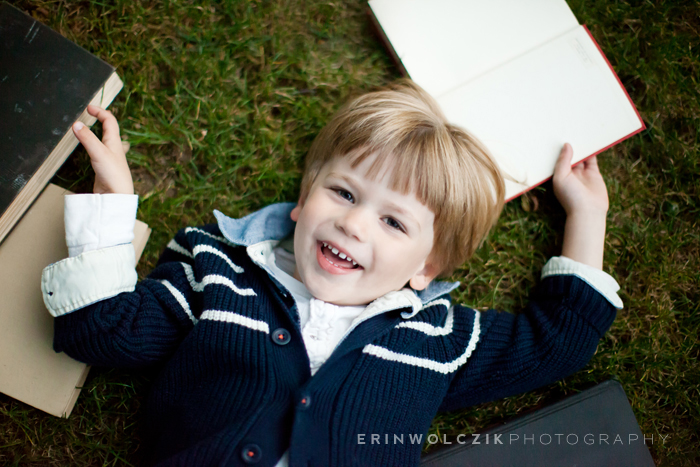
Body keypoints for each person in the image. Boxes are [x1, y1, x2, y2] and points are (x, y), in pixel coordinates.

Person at [41, 80, 621, 467]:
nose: (354, 225)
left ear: (426, 267)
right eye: (343, 192)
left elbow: (557, 345)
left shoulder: (438, 338)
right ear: (302, 199)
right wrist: (112, 205)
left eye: (394, 224)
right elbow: (104, 330)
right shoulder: (218, 271)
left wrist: (587, 216)